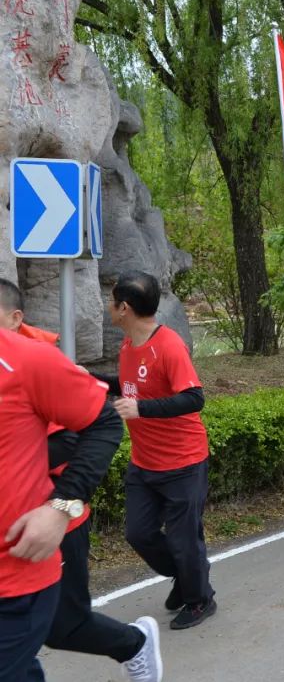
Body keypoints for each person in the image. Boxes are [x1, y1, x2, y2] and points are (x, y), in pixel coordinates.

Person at [0, 279, 163, 681]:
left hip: (46, 528)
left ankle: (136, 643)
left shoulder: (31, 362)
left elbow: (91, 429)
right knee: (44, 637)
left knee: (63, 625)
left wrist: (60, 505)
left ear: (16, 317)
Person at [94, 272, 217, 630]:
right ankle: (187, 574)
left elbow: (195, 398)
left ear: (125, 308)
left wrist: (141, 409)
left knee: (183, 539)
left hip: (183, 462)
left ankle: (199, 599)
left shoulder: (169, 346)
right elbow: (130, 385)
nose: (109, 306)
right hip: (144, 462)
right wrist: (95, 380)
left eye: (112, 300)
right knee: (139, 533)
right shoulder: (128, 344)